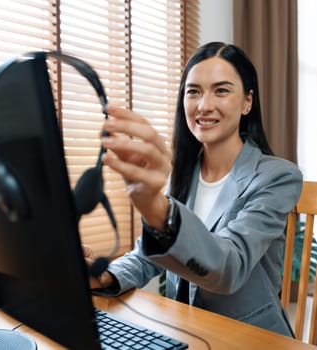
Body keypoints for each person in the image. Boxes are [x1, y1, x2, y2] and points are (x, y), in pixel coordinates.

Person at [84, 41, 303, 337]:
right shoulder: (182, 173)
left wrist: (158, 209)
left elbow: (229, 267)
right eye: (194, 91)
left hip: (250, 338)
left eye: (221, 90)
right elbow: (150, 253)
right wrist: (106, 276)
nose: (204, 105)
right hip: (190, 333)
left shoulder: (277, 176)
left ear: (247, 101)